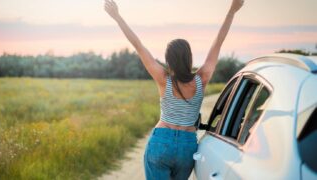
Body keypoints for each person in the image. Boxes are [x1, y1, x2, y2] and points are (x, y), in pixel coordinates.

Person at [104, 0, 244, 179]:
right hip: (187, 146)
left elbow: (138, 46)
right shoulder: (202, 79)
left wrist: (117, 17)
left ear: (168, 60)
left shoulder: (163, 79)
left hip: (161, 140)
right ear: (189, 58)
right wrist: (232, 11)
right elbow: (218, 43)